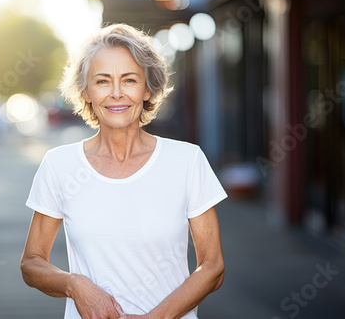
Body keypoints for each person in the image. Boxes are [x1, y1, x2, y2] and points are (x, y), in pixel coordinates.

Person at [20, 23, 228, 319]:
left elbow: (213, 267)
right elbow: (31, 262)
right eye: (103, 81)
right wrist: (74, 284)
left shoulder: (187, 161)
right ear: (86, 91)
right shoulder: (59, 165)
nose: (116, 93)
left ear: (147, 89)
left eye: (129, 80)